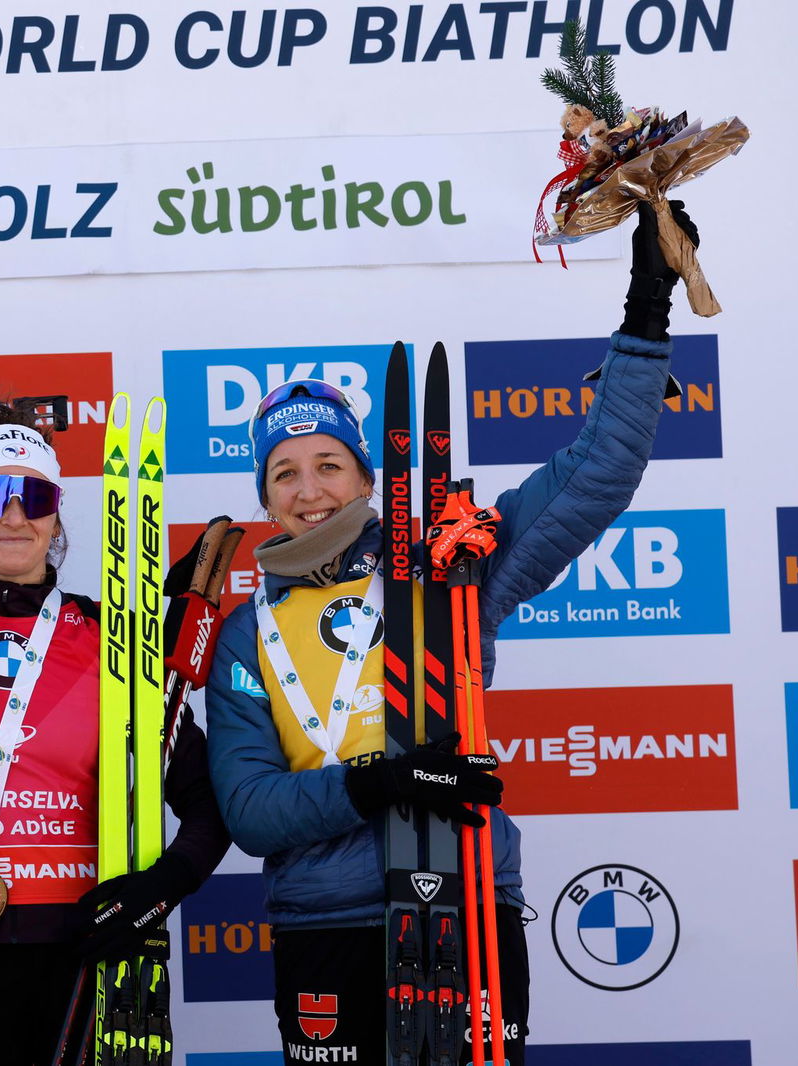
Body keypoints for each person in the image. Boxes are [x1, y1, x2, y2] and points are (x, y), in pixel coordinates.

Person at [204, 200, 699, 1066]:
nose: (308, 488)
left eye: (328, 464)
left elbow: (594, 476)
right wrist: (375, 784)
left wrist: (644, 313)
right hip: (330, 925)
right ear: (265, 497)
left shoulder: (450, 566)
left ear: (367, 473)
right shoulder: (248, 632)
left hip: (468, 900)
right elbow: (250, 809)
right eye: (284, 472)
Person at [0, 388, 231, 1066]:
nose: (15, 517)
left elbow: (207, 800)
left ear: (57, 520)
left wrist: (162, 886)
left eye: (37, 499)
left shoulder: (112, 636)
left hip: (85, 953)